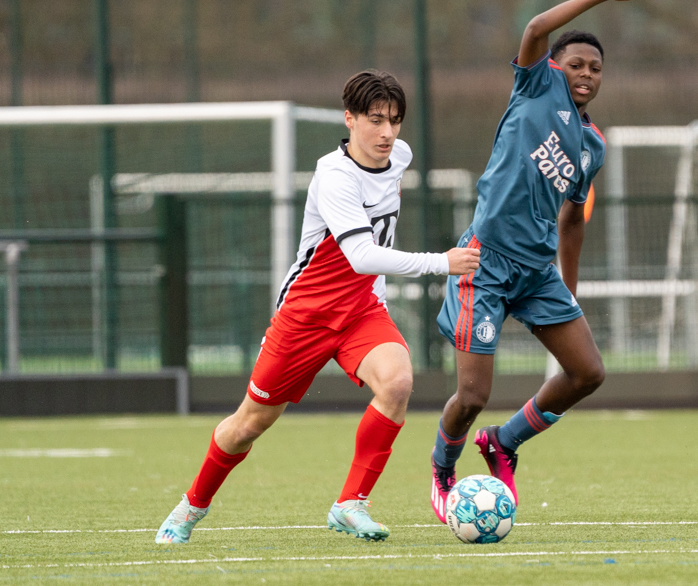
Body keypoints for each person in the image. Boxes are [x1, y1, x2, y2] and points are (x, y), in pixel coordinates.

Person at [156, 70, 480, 544]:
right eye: (375, 120)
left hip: (361, 312)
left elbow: (373, 256)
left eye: (394, 121)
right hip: (306, 316)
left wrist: (379, 295)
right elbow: (362, 254)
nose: (387, 133)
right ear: (349, 119)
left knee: (398, 381)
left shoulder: (400, 157)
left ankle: (351, 503)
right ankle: (190, 508)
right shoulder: (334, 175)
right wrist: (442, 263)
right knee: (250, 424)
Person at [429, 0, 647, 521]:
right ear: (555, 66)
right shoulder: (534, 86)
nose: (587, 75)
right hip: (486, 262)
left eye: (596, 69)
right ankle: (442, 469)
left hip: (537, 272)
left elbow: (573, 220)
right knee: (472, 395)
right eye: (577, 64)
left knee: (588, 373)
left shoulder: (593, 145)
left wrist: (567, 294)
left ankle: (502, 443)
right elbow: (533, 28)